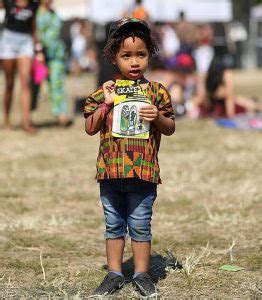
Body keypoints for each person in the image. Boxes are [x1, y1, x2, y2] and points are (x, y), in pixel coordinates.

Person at [84, 18, 175, 297]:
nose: (134, 62)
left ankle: (141, 274)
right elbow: (89, 127)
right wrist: (105, 105)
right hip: (111, 173)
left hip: (143, 173)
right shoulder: (105, 92)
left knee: (140, 224)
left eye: (141, 55)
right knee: (113, 224)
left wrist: (157, 116)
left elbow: (170, 128)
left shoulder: (157, 92)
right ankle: (113, 274)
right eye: (126, 55)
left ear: (149, 54)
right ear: (114, 57)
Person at [0, 0, 40, 133]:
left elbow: (33, 27)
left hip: (25, 42)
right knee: (10, 83)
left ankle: (26, 122)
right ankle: (6, 118)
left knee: (25, 82)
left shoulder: (33, 5)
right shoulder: (8, 2)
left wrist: (38, 48)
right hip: (8, 40)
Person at [31, 0, 71, 126]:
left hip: (57, 55)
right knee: (34, 86)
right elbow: (34, 32)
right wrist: (38, 51)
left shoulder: (53, 12)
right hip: (39, 55)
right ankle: (28, 115)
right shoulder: (35, 13)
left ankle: (61, 114)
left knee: (57, 84)